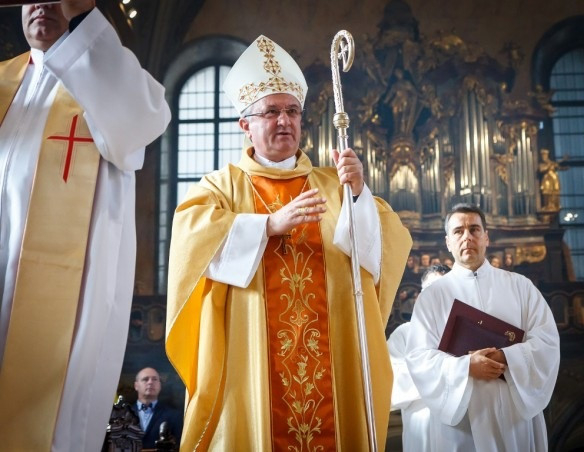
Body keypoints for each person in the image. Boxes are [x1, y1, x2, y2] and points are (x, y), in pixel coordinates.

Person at [166, 35, 412, 450]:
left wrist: (358, 195)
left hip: (334, 359)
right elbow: (191, 240)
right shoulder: (220, 188)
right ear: (245, 125)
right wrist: (266, 225)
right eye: (271, 112)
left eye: (292, 111)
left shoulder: (335, 185)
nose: (284, 121)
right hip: (254, 364)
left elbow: (379, 253)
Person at [0, 2, 170, 450]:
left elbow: (144, 118)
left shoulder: (102, 81)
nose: (42, 4)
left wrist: (85, 19)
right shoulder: (3, 82)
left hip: (66, 301)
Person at [405, 203, 560, 451]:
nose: (467, 237)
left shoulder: (520, 286)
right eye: (458, 231)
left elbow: (547, 341)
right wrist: (466, 366)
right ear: (448, 242)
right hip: (462, 418)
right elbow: (418, 357)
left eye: (474, 229)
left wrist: (507, 357)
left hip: (513, 411)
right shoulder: (432, 297)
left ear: (486, 237)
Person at [388, 264, 450, 451]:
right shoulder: (404, 334)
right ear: (420, 296)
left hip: (458, 424)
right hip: (420, 422)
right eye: (430, 289)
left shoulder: (465, 334)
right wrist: (450, 371)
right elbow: (392, 380)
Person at [134, 367, 183, 449]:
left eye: (155, 379)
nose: (150, 382)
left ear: (160, 385)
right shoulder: (122, 414)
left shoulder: (175, 416)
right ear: (136, 385)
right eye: (145, 379)